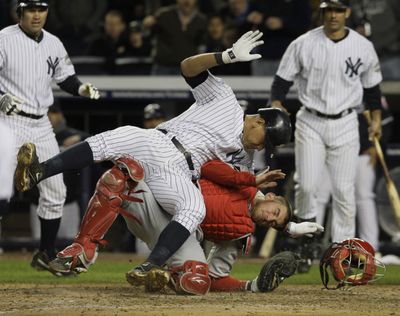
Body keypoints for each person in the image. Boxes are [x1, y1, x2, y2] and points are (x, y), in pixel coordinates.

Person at [14, 30, 292, 284]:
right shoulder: (226, 101)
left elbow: (255, 198)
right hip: (158, 140)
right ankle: (37, 172)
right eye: (264, 141)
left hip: (180, 172)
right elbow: (188, 67)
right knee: (110, 139)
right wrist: (226, 56)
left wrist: (289, 224)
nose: (261, 148)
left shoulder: (244, 158)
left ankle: (150, 266)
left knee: (195, 208)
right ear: (259, 122)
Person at [48, 158, 323, 295]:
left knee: (198, 281)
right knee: (122, 173)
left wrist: (251, 286)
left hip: (172, 234)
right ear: (271, 197)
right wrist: (249, 180)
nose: (270, 218)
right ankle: (83, 248)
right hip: (157, 203)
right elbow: (208, 166)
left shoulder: (241, 234)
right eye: (274, 212)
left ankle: (166, 276)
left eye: (274, 223)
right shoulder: (241, 180)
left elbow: (216, 278)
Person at [269, 0, 383, 269]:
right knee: (307, 185)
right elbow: (281, 83)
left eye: (338, 10)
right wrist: (277, 104)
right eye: (328, 10)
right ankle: (308, 241)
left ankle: (342, 249)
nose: (333, 15)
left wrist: (375, 120)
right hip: (311, 121)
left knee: (344, 190)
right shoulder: (303, 43)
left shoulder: (362, 46)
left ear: (347, 12)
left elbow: (373, 90)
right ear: (322, 13)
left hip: (346, 122)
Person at [0, 0, 100, 276]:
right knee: (2, 194)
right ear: (18, 12)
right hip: (8, 120)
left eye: (41, 9)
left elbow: (66, 78)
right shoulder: (4, 39)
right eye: (30, 9)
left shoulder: (53, 42)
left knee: (56, 191)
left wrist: (82, 89)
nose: (36, 15)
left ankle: (45, 253)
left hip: (42, 124)